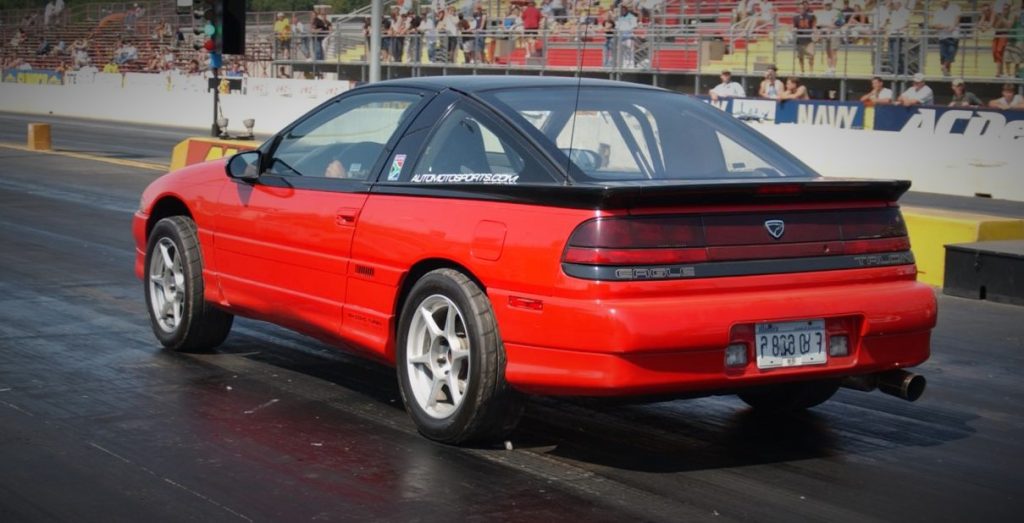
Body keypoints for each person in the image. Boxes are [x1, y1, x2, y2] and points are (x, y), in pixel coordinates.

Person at [932, 0, 962, 77]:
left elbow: (957, 18)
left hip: (953, 35)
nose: (942, 3)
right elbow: (935, 25)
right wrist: (945, 26)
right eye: (941, 1)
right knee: (943, 55)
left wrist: (953, 26)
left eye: (944, 1)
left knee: (951, 52)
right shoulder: (938, 11)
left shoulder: (955, 7)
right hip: (942, 36)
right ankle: (947, 72)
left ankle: (944, 67)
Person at [817, 1, 844, 75]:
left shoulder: (837, 12)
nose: (827, 6)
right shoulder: (821, 13)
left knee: (833, 51)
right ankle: (829, 69)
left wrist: (827, 26)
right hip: (825, 35)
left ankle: (833, 69)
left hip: (834, 34)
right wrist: (820, 33)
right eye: (826, 4)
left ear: (831, 4)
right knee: (828, 52)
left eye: (829, 4)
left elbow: (840, 24)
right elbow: (819, 25)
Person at [885, 0, 911, 75]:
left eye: (894, 4)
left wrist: (899, 28)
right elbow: (888, 17)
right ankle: (895, 69)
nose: (893, 5)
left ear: (899, 4)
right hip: (892, 34)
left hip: (899, 34)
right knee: (891, 54)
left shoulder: (905, 11)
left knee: (896, 54)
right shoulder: (893, 12)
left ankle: (897, 70)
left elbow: (907, 24)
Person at [793, 1, 816, 73]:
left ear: (805, 8)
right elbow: (794, 26)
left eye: (802, 8)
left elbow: (814, 26)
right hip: (800, 39)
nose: (801, 9)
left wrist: (815, 33)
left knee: (811, 55)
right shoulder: (795, 17)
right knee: (800, 57)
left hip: (809, 39)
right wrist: (794, 29)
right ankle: (802, 70)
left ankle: (811, 70)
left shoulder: (811, 16)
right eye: (799, 8)